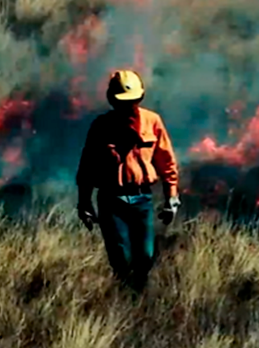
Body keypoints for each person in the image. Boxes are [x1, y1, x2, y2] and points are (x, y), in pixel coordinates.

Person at [76, 69, 181, 292]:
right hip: (111, 200)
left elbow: (166, 160)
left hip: (142, 198)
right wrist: (84, 202)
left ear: (140, 99)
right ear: (112, 100)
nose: (128, 106)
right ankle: (124, 296)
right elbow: (87, 167)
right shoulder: (101, 126)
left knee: (145, 255)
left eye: (133, 101)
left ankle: (140, 295)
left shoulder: (152, 122)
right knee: (120, 257)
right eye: (123, 102)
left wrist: (172, 197)